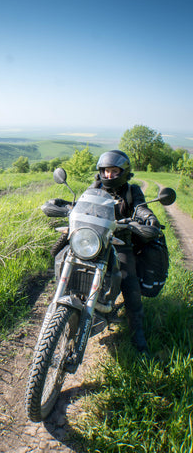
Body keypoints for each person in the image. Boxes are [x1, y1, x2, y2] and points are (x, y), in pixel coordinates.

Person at [89, 150, 160, 354]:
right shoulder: (97, 186)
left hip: (121, 242)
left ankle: (138, 336)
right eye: (105, 171)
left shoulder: (132, 190)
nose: (109, 175)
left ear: (123, 172)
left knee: (129, 282)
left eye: (114, 171)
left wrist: (149, 217)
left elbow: (140, 208)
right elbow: (84, 202)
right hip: (97, 239)